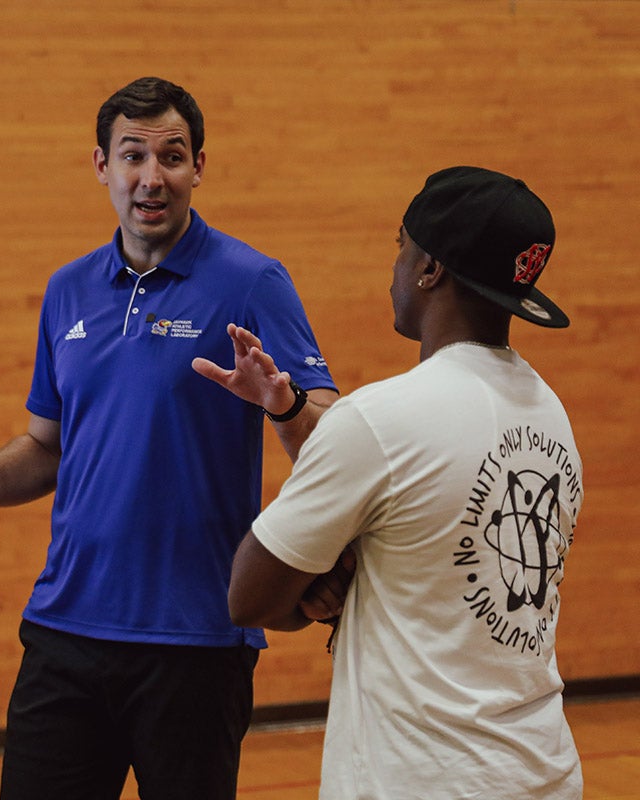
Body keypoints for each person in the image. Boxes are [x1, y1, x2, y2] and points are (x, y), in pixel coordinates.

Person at [0, 76, 338, 800]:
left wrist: (286, 406)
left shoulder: (251, 282)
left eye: (171, 156)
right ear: (101, 166)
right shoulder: (67, 290)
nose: (152, 177)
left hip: (195, 640)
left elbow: (333, 440)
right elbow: (46, 448)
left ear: (198, 167)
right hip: (66, 631)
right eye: (133, 156)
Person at [199, 166, 583, 798]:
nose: (395, 266)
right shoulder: (551, 415)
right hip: (544, 771)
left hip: (422, 781)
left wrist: (321, 586)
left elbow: (250, 597)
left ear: (429, 269)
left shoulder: (379, 419)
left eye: (401, 246)